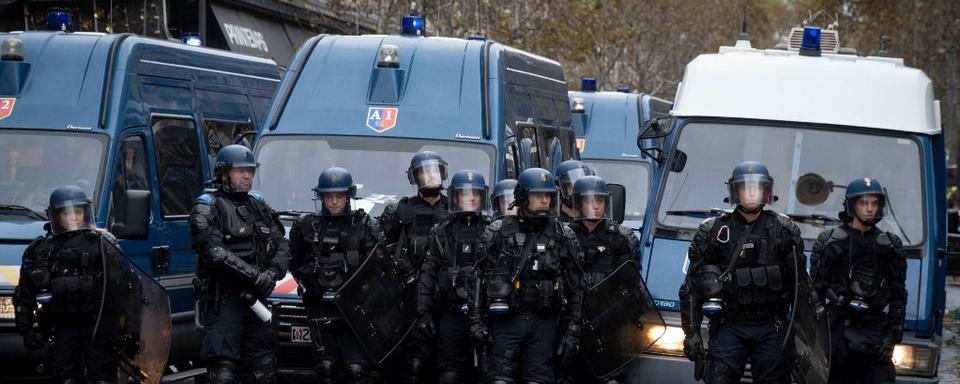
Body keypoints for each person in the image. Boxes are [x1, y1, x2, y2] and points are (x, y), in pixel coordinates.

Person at [679, 161, 804, 384]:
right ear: (736, 191)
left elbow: (800, 289)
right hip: (730, 325)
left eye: (757, 187)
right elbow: (692, 286)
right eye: (746, 188)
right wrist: (691, 332)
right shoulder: (713, 230)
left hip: (771, 327)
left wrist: (803, 337)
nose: (752, 193)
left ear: (766, 191)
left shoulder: (784, 230)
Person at [470, 167, 584, 384]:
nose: (544, 200)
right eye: (538, 195)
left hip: (545, 323)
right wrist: (476, 323)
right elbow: (477, 278)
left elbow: (577, 287)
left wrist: (572, 330)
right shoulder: (498, 232)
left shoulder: (563, 235)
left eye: (548, 195)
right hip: (506, 321)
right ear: (522, 196)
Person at [190, 144, 290, 384]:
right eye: (240, 171)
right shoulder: (207, 207)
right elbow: (214, 252)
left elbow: (282, 245)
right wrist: (255, 277)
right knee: (223, 372)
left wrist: (271, 274)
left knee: (263, 369)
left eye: (250, 171)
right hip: (224, 303)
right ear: (224, 173)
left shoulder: (258, 206)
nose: (247, 176)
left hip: (256, 302)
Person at [14, 185, 119, 383]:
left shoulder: (103, 243)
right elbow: (25, 293)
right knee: (65, 378)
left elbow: (123, 286)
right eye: (65, 213)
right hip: (61, 326)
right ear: (55, 215)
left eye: (77, 212)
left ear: (85, 213)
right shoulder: (43, 249)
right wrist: (27, 329)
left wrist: (126, 326)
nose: (72, 217)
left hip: (96, 325)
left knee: (103, 377)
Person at [289, 167, 380, 384]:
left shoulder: (363, 225)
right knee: (325, 368)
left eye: (339, 196)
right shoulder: (306, 226)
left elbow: (376, 266)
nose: (334, 202)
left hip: (353, 310)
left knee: (356, 370)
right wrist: (310, 282)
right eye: (329, 196)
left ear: (348, 196)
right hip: (320, 308)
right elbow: (293, 261)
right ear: (321, 197)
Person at [811, 178, 907, 384]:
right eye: (863, 203)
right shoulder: (830, 242)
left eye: (874, 203)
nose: (869, 209)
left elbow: (898, 295)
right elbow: (815, 292)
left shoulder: (890, 246)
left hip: (874, 331)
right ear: (852, 205)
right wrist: (818, 338)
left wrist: (892, 337)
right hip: (837, 331)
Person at [559, 175, 642, 384]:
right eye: (589, 201)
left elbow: (630, 285)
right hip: (571, 320)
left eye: (600, 201)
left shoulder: (622, 238)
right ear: (578, 203)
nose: (595, 206)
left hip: (608, 323)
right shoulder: (564, 236)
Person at [378, 150, 450, 383]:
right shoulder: (403, 210)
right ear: (414, 177)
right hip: (410, 295)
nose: (430, 177)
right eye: (424, 172)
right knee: (412, 364)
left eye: (434, 171)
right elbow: (385, 249)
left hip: (446, 294)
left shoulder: (454, 207)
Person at [417, 169, 491, 383]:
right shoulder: (441, 232)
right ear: (455, 197)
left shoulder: (493, 231)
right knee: (449, 374)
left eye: (476, 194)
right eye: (466, 194)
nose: (472, 198)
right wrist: (424, 313)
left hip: (485, 315)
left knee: (486, 373)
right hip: (452, 312)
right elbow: (427, 275)